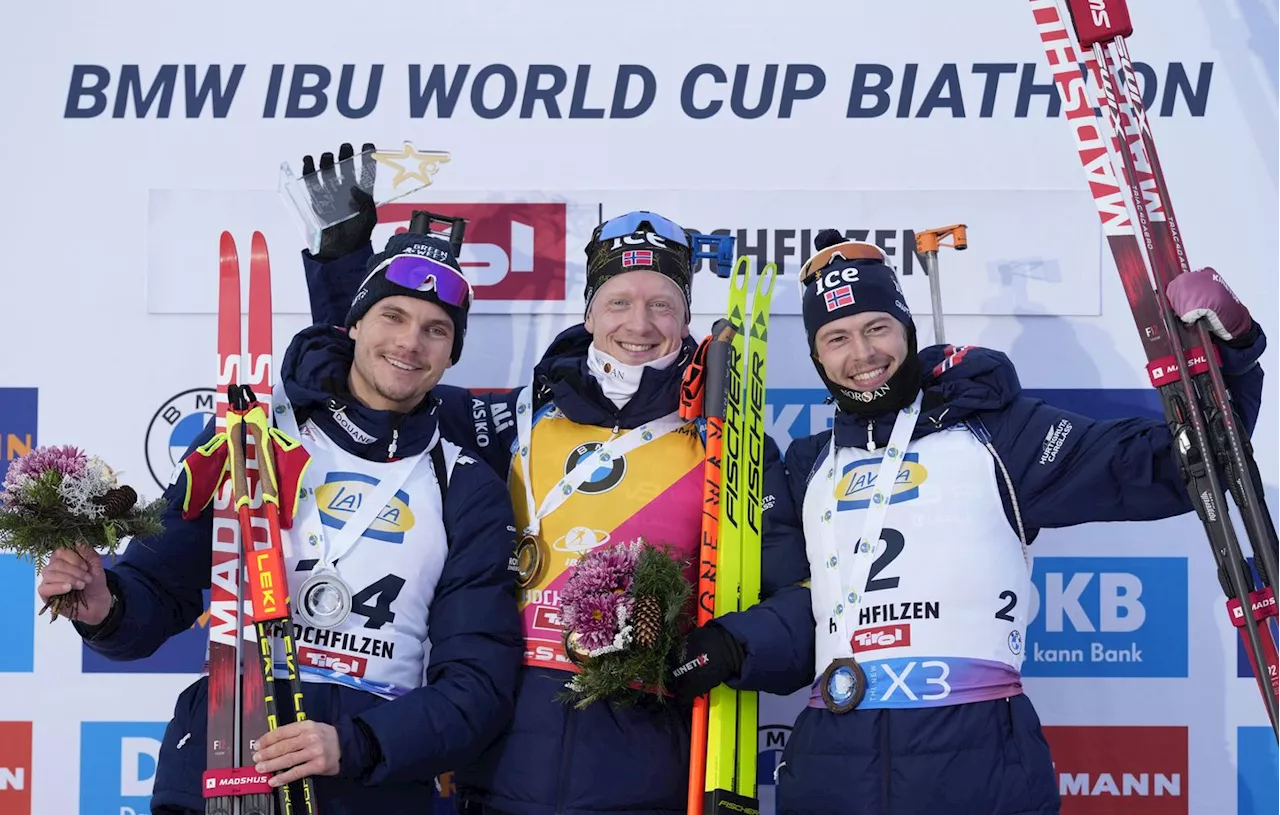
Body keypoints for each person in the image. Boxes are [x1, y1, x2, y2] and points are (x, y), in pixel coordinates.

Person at [300, 171, 814, 814]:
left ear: (687, 319)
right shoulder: (509, 420)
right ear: (590, 311)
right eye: (619, 301)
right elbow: (383, 380)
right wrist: (345, 272)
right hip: (497, 765)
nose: (640, 323)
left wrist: (726, 647)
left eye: (663, 305)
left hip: (645, 773)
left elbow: (801, 603)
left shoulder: (728, 442)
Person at [772, 229, 1267, 815]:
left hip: (976, 759)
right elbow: (786, 611)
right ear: (816, 356)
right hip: (832, 767)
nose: (863, 355)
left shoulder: (995, 432)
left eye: (877, 327)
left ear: (906, 328)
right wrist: (720, 647)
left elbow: (1174, 464)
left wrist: (1231, 354)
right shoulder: (807, 464)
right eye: (837, 338)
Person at [38, 227, 524, 815]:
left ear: (452, 353)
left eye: (436, 330)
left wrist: (358, 742)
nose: (410, 342)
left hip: (368, 788)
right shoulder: (253, 436)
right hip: (221, 762)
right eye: (392, 316)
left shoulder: (466, 485)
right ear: (354, 324)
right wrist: (105, 605)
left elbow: (476, 686)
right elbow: (160, 584)